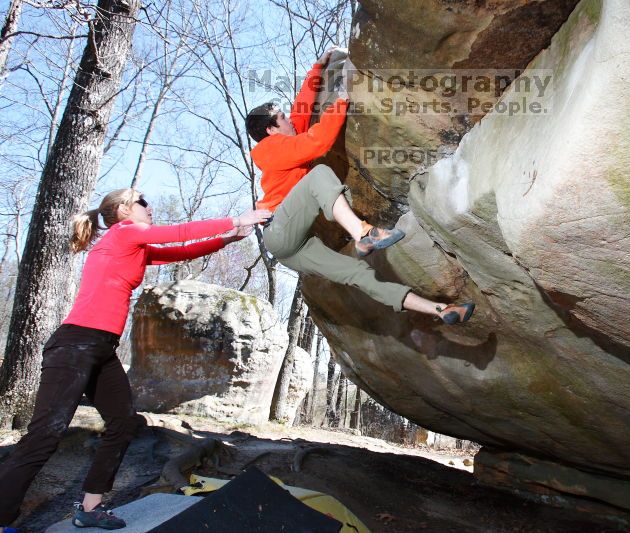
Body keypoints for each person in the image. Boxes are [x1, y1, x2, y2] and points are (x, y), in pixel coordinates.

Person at [0, 189, 271, 530]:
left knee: (123, 423)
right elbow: (179, 233)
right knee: (45, 436)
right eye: (144, 201)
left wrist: (230, 238)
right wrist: (236, 219)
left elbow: (181, 251)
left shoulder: (134, 246)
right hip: (75, 344)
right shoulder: (125, 233)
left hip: (100, 348)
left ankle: (90, 507)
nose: (150, 206)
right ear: (125, 209)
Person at [245, 49, 474, 324]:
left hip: (291, 246)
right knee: (319, 174)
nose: (289, 119)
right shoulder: (268, 149)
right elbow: (318, 142)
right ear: (271, 130)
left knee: (356, 273)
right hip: (279, 230)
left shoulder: (284, 143)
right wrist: (342, 99)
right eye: (282, 118)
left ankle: (440, 310)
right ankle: (362, 233)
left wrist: (318, 67)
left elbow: (302, 107)